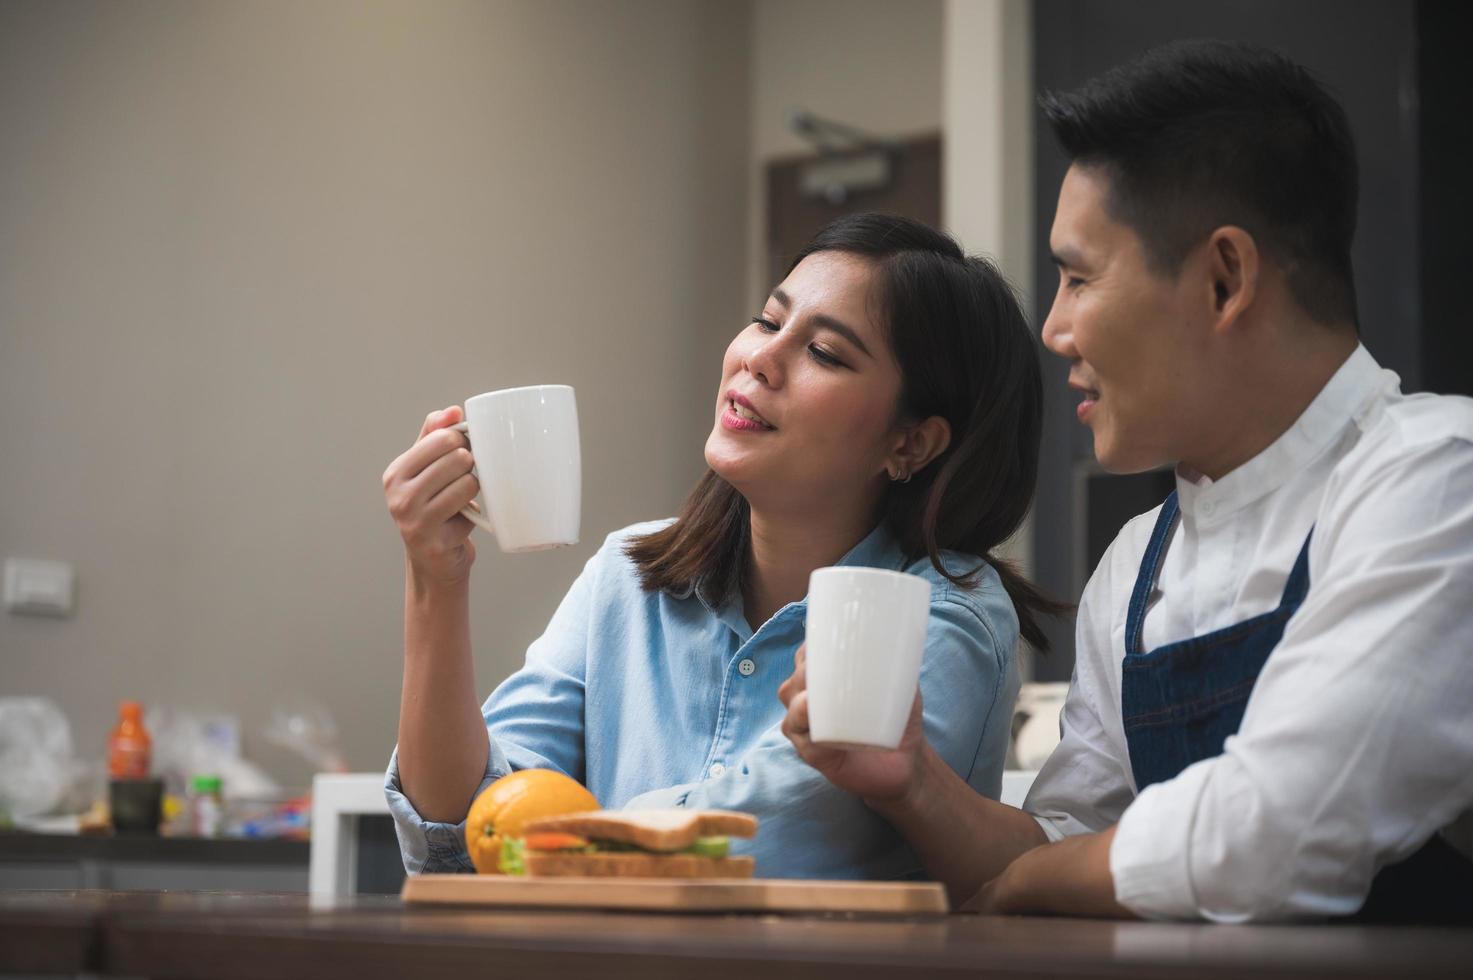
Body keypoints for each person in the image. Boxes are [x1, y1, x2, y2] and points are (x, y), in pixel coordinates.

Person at [781, 40, 1473, 921]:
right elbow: (1076, 843)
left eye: (1077, 278)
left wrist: (1027, 882)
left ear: (1225, 278)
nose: (1054, 328)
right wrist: (910, 780)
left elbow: (1271, 833)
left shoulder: (1434, 477)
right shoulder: (1137, 562)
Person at [382, 213, 1059, 878]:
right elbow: (460, 833)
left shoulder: (941, 610)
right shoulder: (626, 574)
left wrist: (539, 839)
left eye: (824, 352)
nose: (759, 357)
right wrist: (435, 579)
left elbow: (765, 844)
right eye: (768, 320)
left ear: (909, 442)